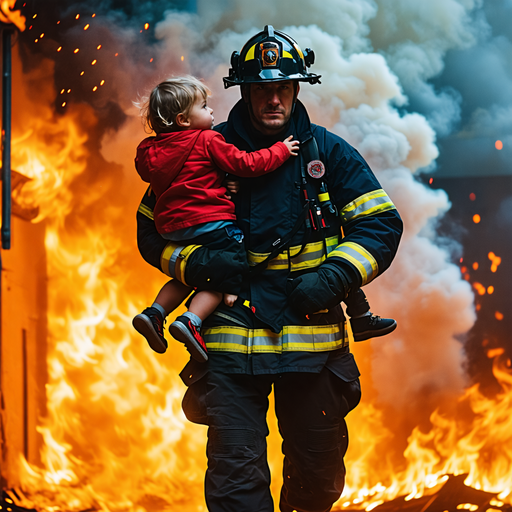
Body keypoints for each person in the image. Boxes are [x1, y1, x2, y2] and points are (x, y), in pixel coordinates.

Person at [136, 26, 403, 512]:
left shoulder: (326, 153)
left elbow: (380, 224)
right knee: (236, 489)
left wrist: (334, 276)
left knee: (317, 482)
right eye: (262, 89)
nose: (273, 99)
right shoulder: (200, 147)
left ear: (297, 88)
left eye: (283, 88)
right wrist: (198, 264)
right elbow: (151, 230)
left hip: (313, 349)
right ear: (246, 91)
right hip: (229, 353)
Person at [132, 76, 299, 361]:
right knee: (223, 270)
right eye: (204, 106)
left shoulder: (149, 151)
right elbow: (247, 164)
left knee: (191, 275)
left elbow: (187, 178)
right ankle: (192, 320)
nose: (211, 112)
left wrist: (220, 178)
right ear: (184, 119)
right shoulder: (208, 140)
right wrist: (281, 151)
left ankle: (155, 312)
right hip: (213, 224)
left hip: (173, 230)